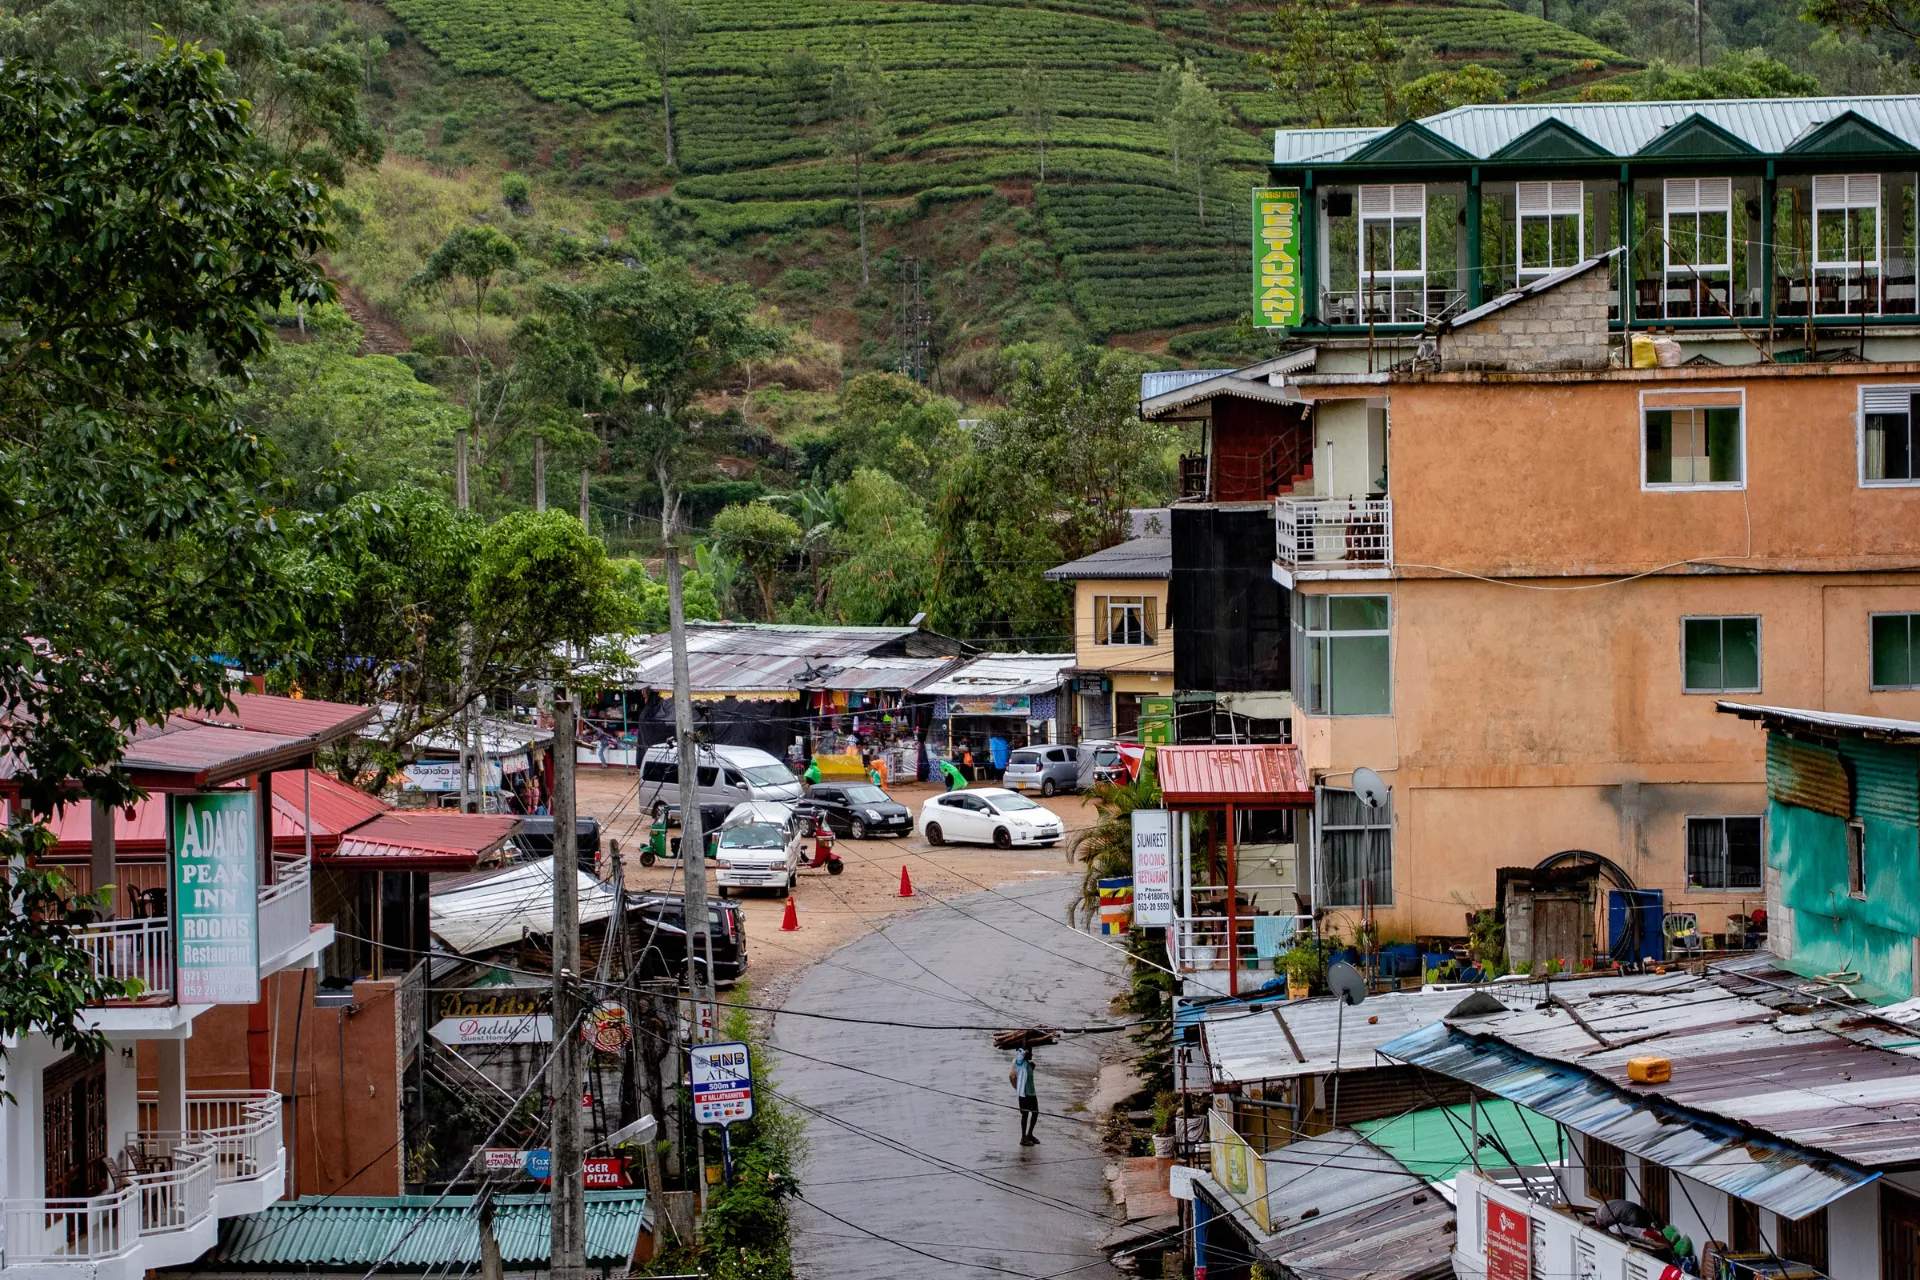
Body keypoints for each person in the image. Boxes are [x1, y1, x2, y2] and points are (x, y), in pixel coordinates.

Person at [1010, 1045, 1039, 1145]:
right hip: (1024, 1094)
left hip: (1032, 1093)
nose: (1032, 1054)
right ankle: (1023, 1138)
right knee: (1025, 1115)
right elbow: (1021, 1052)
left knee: (1035, 1113)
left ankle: (1029, 1134)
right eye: (1030, 1052)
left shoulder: (1029, 1064)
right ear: (1025, 1053)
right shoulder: (1019, 1063)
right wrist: (1025, 1045)